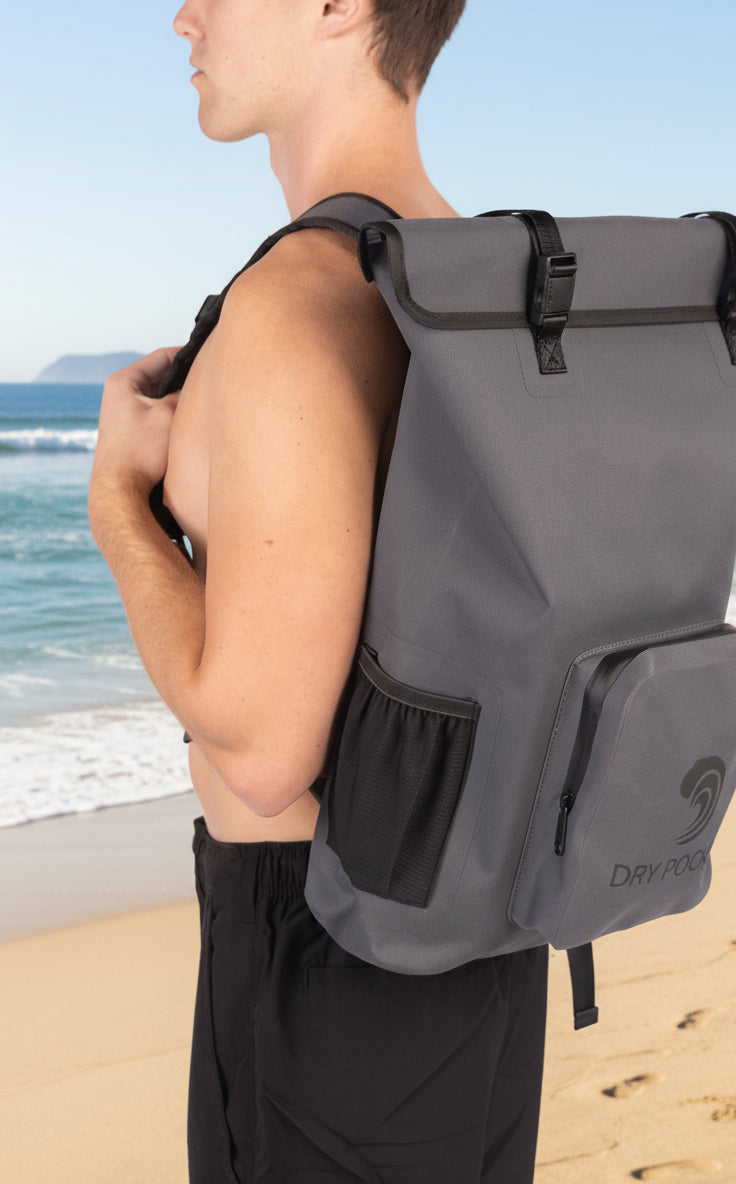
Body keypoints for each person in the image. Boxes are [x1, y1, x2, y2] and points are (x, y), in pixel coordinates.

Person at [88, 1, 549, 1180]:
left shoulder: (295, 304)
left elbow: (260, 746)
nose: (182, 16)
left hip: (327, 945)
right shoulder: (488, 272)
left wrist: (117, 510)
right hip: (485, 920)